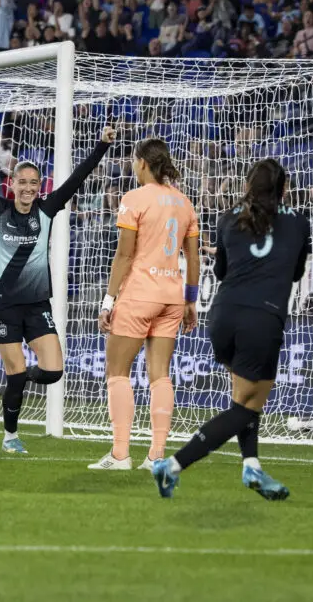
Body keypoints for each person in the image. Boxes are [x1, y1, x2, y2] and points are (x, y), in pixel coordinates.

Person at [0, 121, 115, 454]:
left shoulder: (47, 210)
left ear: (39, 186)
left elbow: (77, 179)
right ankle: (10, 436)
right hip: (4, 305)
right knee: (15, 373)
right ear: (12, 183)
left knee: (53, 371)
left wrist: (102, 146)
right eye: (23, 182)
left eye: (34, 182)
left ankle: (19, 381)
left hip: (37, 305)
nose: (28, 188)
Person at [152, 159, 309, 501]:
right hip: (262, 319)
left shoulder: (227, 219)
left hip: (222, 317)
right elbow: (296, 274)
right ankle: (173, 465)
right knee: (248, 407)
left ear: (247, 186)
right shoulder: (298, 223)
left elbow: (221, 271)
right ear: (284, 190)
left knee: (242, 397)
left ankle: (251, 465)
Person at [89, 138, 200, 471]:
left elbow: (124, 254)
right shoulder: (184, 203)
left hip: (139, 295)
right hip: (171, 297)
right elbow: (192, 258)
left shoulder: (133, 198)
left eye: (133, 161)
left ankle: (121, 454)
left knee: (117, 372)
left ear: (142, 163)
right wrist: (190, 302)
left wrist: (108, 301)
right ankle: (156, 456)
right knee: (160, 376)